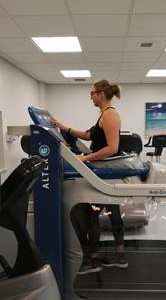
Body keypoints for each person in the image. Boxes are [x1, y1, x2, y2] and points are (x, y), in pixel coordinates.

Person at [52, 79, 128, 274]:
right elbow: (88, 135)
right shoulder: (104, 115)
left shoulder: (110, 115)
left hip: (106, 173)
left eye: (92, 93)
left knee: (88, 214)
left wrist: (86, 157)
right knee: (111, 213)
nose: (90, 97)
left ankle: (92, 260)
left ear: (101, 94)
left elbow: (112, 148)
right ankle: (119, 256)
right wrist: (64, 128)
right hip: (104, 172)